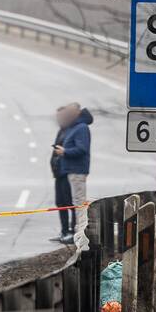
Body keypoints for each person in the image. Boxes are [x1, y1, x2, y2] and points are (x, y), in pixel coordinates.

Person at [53, 102, 93, 247]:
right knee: (76, 202)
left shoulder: (81, 128)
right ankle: (77, 233)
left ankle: (80, 234)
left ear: (77, 112)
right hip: (70, 171)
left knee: (79, 204)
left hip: (77, 171)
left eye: (69, 112)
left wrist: (65, 152)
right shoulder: (73, 127)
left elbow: (82, 149)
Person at [50, 106, 74, 243]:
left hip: (67, 172)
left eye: (61, 116)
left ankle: (72, 232)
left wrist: (65, 152)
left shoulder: (75, 130)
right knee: (60, 203)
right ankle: (64, 231)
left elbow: (82, 149)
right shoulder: (62, 130)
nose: (59, 119)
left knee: (70, 203)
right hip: (59, 172)